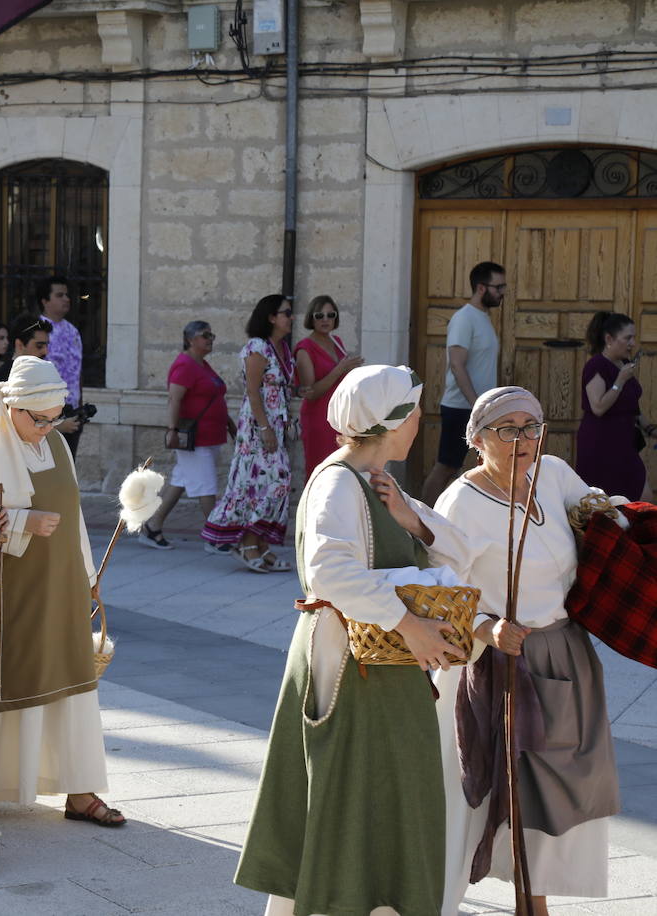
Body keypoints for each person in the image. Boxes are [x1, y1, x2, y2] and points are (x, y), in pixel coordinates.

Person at [234, 364, 472, 916]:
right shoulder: (339, 481)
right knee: (347, 789)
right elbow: (328, 572)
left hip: (383, 658)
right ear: (394, 423)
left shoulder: (378, 482)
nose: (421, 418)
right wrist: (409, 624)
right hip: (346, 659)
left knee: (387, 788)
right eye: (414, 410)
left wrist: (409, 518)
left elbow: (459, 550)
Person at [434, 387, 620, 915]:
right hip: (502, 663)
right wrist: (486, 626)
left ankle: (532, 899)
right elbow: (440, 586)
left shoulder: (553, 474)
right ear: (476, 439)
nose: (523, 439)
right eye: (507, 429)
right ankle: (523, 904)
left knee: (559, 791)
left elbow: (598, 512)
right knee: (505, 794)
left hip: (565, 654)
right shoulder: (462, 502)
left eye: (532, 427)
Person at [0, 355, 124, 828]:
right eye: (39, 419)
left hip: (61, 586)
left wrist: (88, 576)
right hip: (12, 592)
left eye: (55, 419)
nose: (47, 428)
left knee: (74, 688)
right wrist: (22, 522)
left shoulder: (56, 445)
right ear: (11, 406)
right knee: (12, 683)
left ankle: (80, 791)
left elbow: (73, 516)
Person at [201, 295, 296, 573]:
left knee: (271, 484)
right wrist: (265, 427)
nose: (290, 317)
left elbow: (281, 388)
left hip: (275, 424)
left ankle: (260, 543)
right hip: (257, 427)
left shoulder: (282, 349)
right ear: (270, 317)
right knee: (271, 481)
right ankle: (247, 542)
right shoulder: (258, 347)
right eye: (285, 313)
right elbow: (253, 391)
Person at [140, 319, 236, 550]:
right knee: (206, 485)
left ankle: (153, 527)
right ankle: (214, 537)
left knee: (181, 481)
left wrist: (231, 426)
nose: (210, 339)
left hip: (210, 435)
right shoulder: (185, 366)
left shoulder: (202, 365)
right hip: (195, 439)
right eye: (205, 335)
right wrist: (172, 430)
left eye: (211, 335)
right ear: (191, 340)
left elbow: (215, 399)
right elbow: (175, 399)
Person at [422, 261, 505, 506]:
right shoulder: (464, 318)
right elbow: (457, 365)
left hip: (481, 408)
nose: (503, 293)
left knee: (487, 467)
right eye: (498, 287)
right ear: (481, 288)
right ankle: (420, 523)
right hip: (461, 408)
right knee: (447, 465)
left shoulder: (483, 318)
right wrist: (475, 405)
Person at [577, 311, 652, 501]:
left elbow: (632, 405)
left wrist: (649, 428)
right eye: (627, 338)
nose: (632, 343)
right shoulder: (596, 366)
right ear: (609, 339)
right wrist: (620, 380)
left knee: (643, 498)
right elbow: (598, 407)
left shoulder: (624, 364)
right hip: (601, 443)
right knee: (604, 503)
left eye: (633, 338)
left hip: (624, 443)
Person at [293, 295, 363, 479]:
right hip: (318, 418)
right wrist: (340, 369)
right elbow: (311, 391)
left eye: (330, 315)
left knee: (340, 471)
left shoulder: (336, 342)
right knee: (320, 470)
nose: (325, 319)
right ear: (311, 318)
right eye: (319, 315)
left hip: (339, 417)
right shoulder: (305, 348)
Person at [36, 276, 85, 455]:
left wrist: (79, 405)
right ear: (45, 301)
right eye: (59, 295)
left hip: (71, 408)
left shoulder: (73, 331)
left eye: (67, 294)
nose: (66, 299)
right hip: (45, 410)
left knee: (68, 467)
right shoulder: (36, 331)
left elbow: (78, 370)